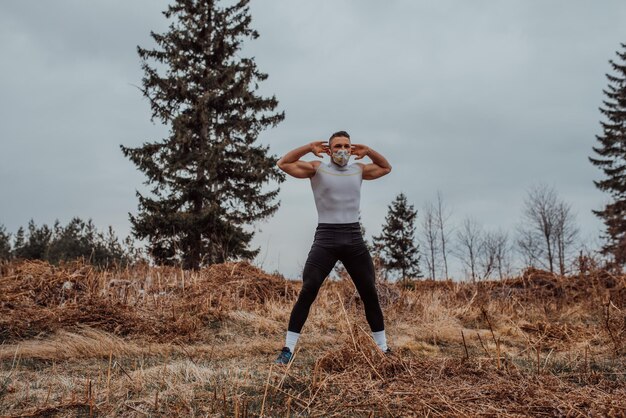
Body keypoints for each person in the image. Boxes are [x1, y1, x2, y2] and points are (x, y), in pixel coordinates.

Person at [274, 130, 393, 365]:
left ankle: (383, 350)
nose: (342, 150)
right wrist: (309, 147)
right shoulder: (317, 168)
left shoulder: (358, 170)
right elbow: (283, 163)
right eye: (337, 146)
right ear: (329, 149)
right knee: (308, 289)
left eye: (347, 146)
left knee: (369, 292)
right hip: (326, 238)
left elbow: (386, 168)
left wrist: (368, 151)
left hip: (353, 238)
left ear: (352, 149)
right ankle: (287, 349)